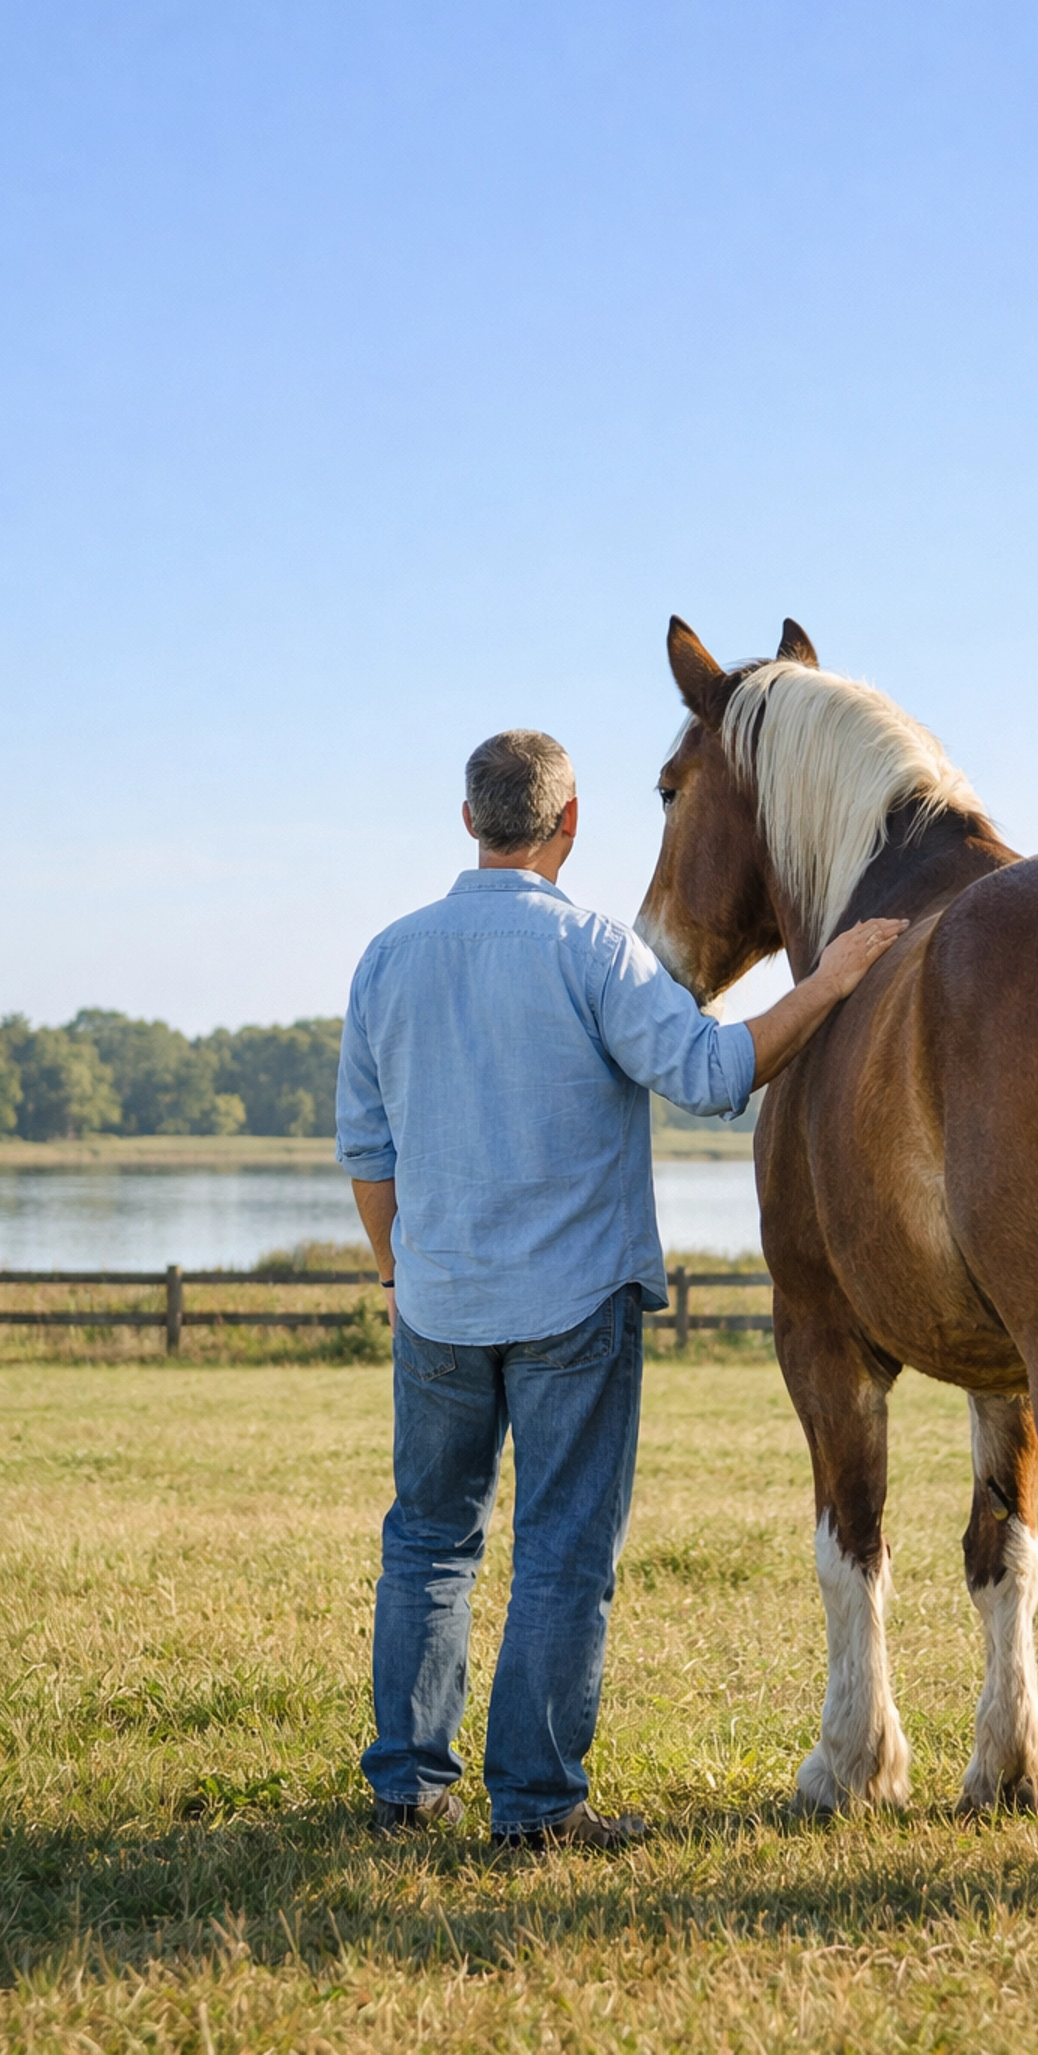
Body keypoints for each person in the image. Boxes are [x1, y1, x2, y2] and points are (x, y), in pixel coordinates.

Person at [336, 728, 905, 1851]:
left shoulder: (387, 957)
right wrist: (836, 979)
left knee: (428, 1541)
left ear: (468, 821)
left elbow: (367, 1151)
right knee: (560, 1554)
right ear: (571, 823)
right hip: (572, 1307)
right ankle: (538, 1808)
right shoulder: (596, 953)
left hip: (437, 1306)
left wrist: (398, 1269)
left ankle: (405, 1786)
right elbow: (712, 1074)